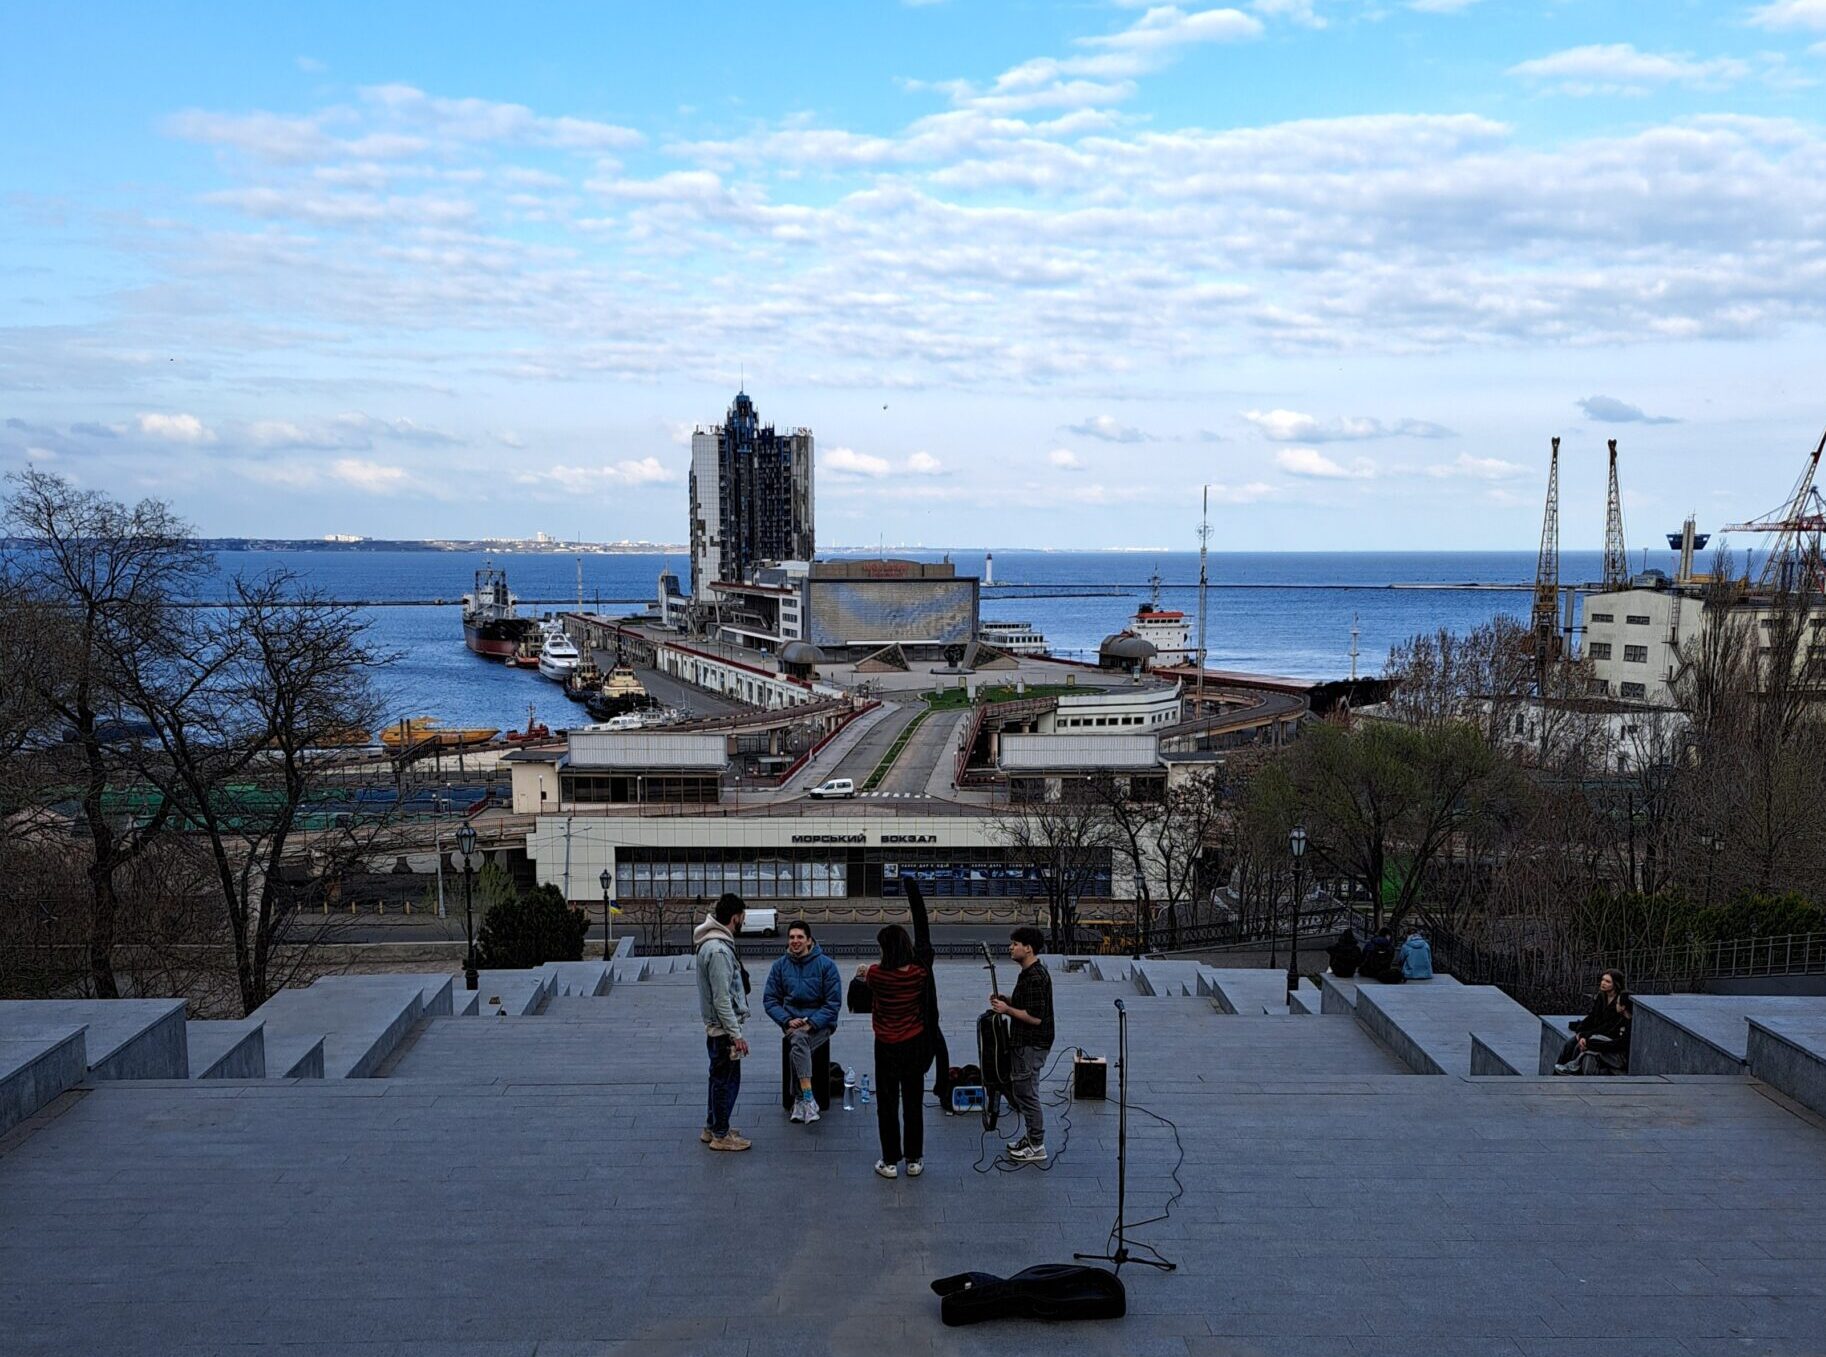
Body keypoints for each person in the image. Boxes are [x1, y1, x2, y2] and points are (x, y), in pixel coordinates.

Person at [850, 924, 929, 1180]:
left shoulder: (876, 974)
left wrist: (862, 971)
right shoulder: (919, 973)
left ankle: (890, 1160)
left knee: (887, 1102)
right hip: (914, 1042)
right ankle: (914, 1159)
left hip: (885, 1044)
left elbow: (868, 976)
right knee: (913, 1101)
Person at [764, 919, 841, 1124]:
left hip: (820, 1024)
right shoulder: (779, 966)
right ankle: (807, 1100)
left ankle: (801, 1099)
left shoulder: (826, 965)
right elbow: (770, 1000)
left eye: (799, 937)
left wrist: (812, 1023)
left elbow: (833, 1003)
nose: (795, 941)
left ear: (809, 941)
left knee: (798, 1042)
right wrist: (787, 1020)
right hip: (792, 1023)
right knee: (798, 1039)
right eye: (791, 937)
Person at [991, 926, 1055, 1164]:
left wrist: (1007, 1010)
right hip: (1025, 1042)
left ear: (1028, 948)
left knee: (1027, 1094)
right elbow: (1026, 1005)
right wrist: (1007, 1001)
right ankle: (1030, 1138)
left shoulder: (1036, 977)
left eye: (1015, 943)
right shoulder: (1028, 973)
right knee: (1024, 1090)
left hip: (1031, 1043)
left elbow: (1035, 1017)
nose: (1011, 947)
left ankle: (1037, 1144)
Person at [695, 893, 751, 1151]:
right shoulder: (718, 950)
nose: (743, 922)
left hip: (718, 1028)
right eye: (743, 917)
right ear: (735, 917)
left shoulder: (714, 944)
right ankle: (721, 1135)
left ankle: (714, 1126)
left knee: (717, 1078)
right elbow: (722, 998)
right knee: (726, 1081)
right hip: (723, 1030)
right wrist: (736, 1034)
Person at [1554, 970, 1632, 1075]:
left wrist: (1585, 1035)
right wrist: (1580, 1031)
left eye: (1608, 981)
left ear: (1616, 984)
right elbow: (1592, 1017)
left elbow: (1608, 1027)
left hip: (1607, 1035)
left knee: (1581, 1047)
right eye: (1603, 980)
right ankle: (1558, 1073)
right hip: (1595, 1031)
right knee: (1569, 1044)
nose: (1603, 983)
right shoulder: (1602, 997)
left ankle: (1571, 1070)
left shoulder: (1621, 1001)